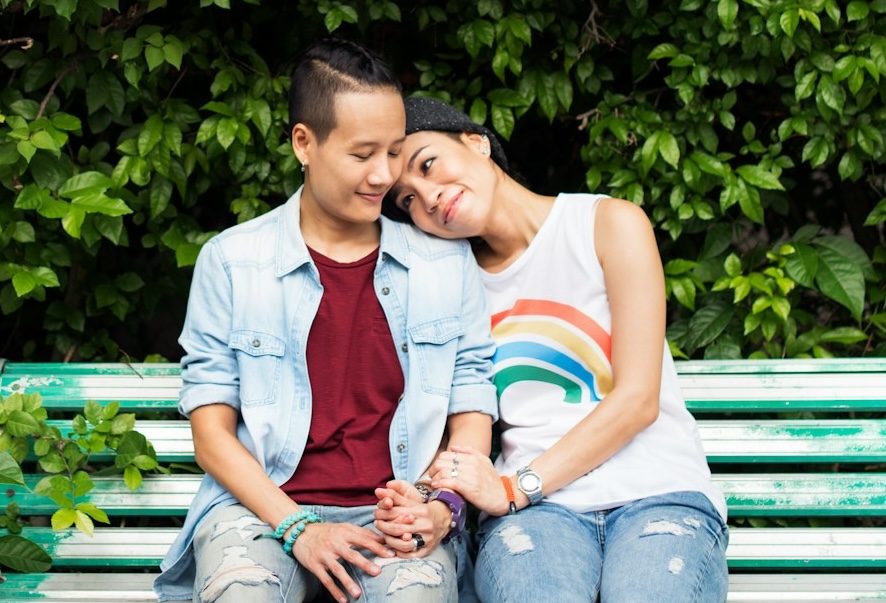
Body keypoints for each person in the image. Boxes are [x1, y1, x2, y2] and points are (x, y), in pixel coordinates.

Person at [153, 41, 498, 603]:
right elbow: (211, 435)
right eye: (363, 154)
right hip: (261, 512)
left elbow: (470, 402)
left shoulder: (445, 263)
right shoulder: (233, 261)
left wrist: (444, 506)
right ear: (303, 143)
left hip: (394, 513)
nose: (383, 175)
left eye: (394, 152)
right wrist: (297, 527)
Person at [376, 97, 730, 602]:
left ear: (476, 142)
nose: (428, 197)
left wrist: (515, 487)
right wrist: (434, 500)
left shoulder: (608, 224)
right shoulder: (450, 286)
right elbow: (453, 419)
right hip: (539, 521)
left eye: (427, 165)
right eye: (407, 200)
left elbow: (636, 401)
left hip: (659, 495)